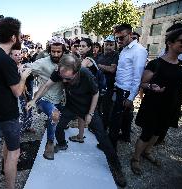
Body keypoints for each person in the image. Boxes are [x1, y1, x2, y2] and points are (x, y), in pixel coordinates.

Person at [28, 54, 126, 187]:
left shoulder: (85, 74)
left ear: (77, 72)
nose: (64, 81)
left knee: (102, 137)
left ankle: (117, 167)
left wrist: (90, 114)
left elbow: (96, 93)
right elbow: (46, 86)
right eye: (62, 78)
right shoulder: (60, 72)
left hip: (87, 108)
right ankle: (62, 144)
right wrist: (34, 100)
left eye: (68, 78)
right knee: (59, 125)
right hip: (72, 107)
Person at [131, 28, 182, 175]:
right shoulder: (156, 64)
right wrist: (151, 87)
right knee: (147, 133)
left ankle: (147, 152)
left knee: (160, 131)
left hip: (171, 105)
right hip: (154, 105)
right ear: (170, 43)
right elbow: (142, 83)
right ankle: (136, 158)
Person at [0, 17, 31, 189]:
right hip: (7, 113)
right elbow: (18, 92)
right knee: (15, 152)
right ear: (13, 37)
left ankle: (5, 169)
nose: (20, 37)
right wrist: (24, 76)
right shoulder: (6, 60)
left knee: (7, 142)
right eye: (19, 34)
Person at [25, 36, 66, 160]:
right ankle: (50, 143)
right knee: (54, 115)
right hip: (44, 98)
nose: (55, 54)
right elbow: (28, 67)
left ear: (63, 51)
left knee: (57, 121)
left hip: (61, 99)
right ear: (49, 50)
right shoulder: (43, 62)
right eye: (53, 51)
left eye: (58, 51)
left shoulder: (66, 61)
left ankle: (56, 134)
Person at [109, 23, 148, 149]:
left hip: (126, 91)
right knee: (124, 117)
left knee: (116, 119)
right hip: (120, 87)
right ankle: (125, 136)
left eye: (121, 38)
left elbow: (137, 76)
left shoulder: (139, 51)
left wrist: (131, 97)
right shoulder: (124, 49)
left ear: (130, 35)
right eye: (117, 38)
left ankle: (111, 147)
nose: (118, 41)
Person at [96, 35, 119, 129]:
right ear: (103, 45)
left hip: (109, 87)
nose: (109, 47)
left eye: (111, 45)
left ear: (115, 46)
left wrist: (98, 65)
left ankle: (104, 128)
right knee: (96, 107)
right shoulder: (99, 55)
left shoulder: (116, 55)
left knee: (106, 109)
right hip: (98, 86)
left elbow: (112, 69)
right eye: (107, 44)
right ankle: (96, 126)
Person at [10, 49, 35, 133]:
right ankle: (20, 129)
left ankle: (28, 126)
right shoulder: (10, 68)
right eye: (16, 55)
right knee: (20, 110)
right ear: (10, 56)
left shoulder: (25, 64)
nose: (19, 56)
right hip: (18, 92)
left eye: (20, 54)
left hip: (27, 91)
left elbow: (31, 78)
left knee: (29, 108)